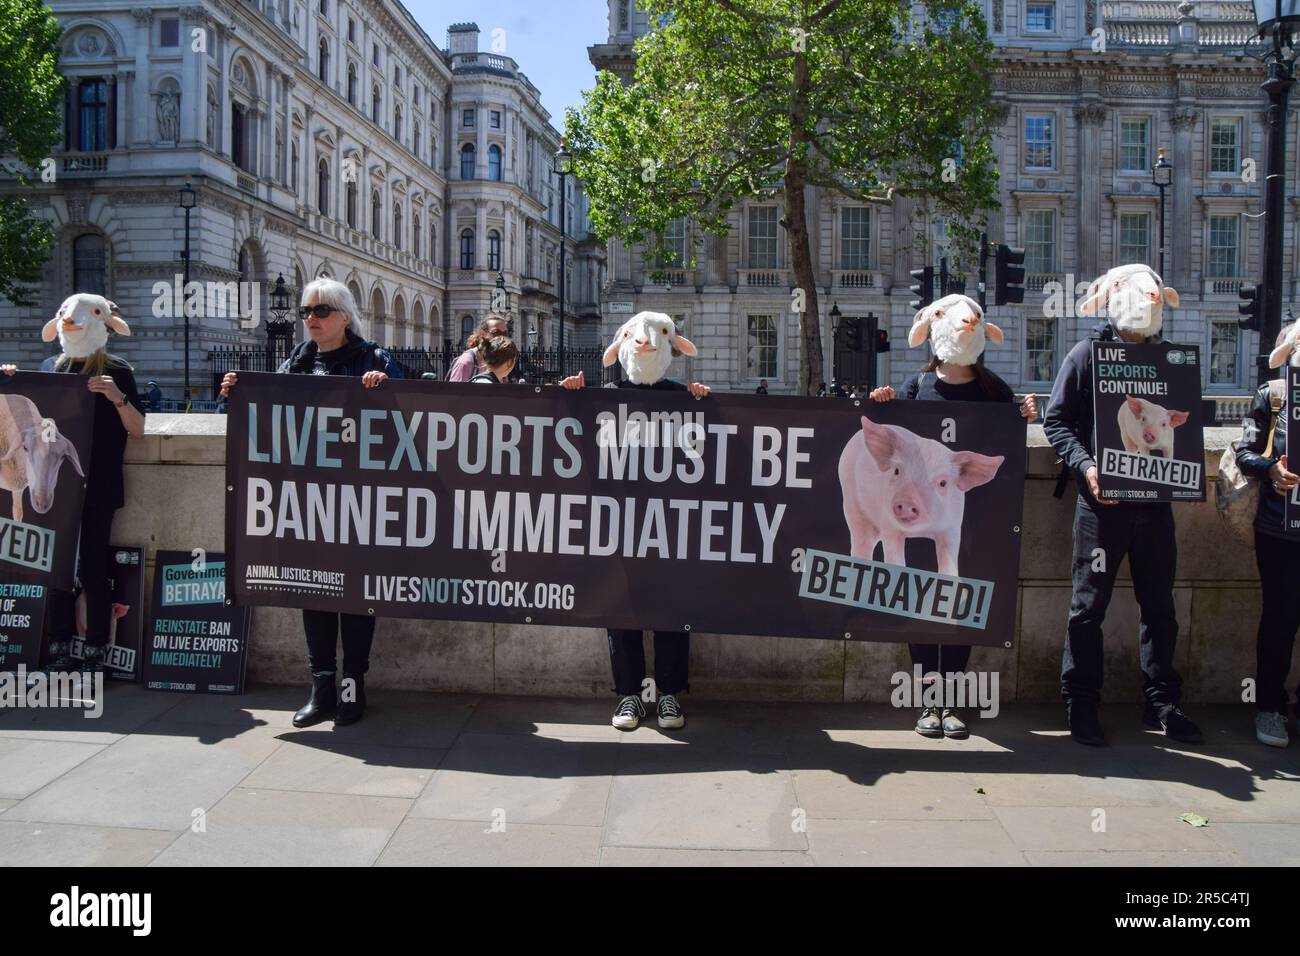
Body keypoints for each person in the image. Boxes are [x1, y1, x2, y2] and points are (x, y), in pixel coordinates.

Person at [220, 278, 401, 727]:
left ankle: (352, 687)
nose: (311, 320)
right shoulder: (295, 364)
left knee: (358, 595)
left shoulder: (373, 358)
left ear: (344, 315)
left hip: (361, 500)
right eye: (306, 312)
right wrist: (233, 394)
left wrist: (387, 386)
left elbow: (411, 413)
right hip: (308, 501)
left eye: (321, 311)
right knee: (314, 590)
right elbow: (262, 421)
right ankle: (321, 689)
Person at [1042, 263, 1200, 746]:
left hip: (1154, 508)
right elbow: (1056, 422)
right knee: (1088, 608)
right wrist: (1088, 467)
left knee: (1160, 608)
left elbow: (1186, 433)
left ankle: (1163, 702)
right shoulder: (1087, 354)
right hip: (1100, 508)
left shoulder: (1173, 362)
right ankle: (1082, 703)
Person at [870, 294, 1036, 738]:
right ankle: (928, 700)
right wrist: (880, 403)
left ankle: (952, 701)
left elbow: (1008, 441)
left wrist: (1025, 416)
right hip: (917, 524)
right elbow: (884, 437)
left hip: (970, 521)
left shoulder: (994, 391)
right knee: (920, 605)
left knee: (962, 606)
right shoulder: (912, 390)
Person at [559, 311, 710, 731]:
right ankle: (628, 694)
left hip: (669, 529)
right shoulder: (604, 396)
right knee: (621, 610)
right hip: (619, 528)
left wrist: (704, 402)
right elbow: (570, 436)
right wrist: (571, 393)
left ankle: (668, 695)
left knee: (671, 609)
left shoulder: (682, 398)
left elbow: (708, 444)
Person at [3, 294, 147, 673]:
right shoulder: (53, 367)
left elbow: (139, 429)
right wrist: (12, 379)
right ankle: (60, 644)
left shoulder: (118, 370)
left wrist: (117, 398)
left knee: (94, 567)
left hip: (98, 484)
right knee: (57, 565)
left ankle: (98, 647)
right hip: (59, 486)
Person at [1235, 323, 1300, 747]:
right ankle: (1270, 708)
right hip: (1280, 528)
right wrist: (1271, 469)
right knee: (1280, 618)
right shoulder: (1273, 394)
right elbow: (1244, 453)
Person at [448, 314, 508, 383]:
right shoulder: (466, 362)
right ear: (483, 334)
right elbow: (455, 393)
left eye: (505, 333)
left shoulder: (500, 362)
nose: (502, 337)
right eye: (496, 333)